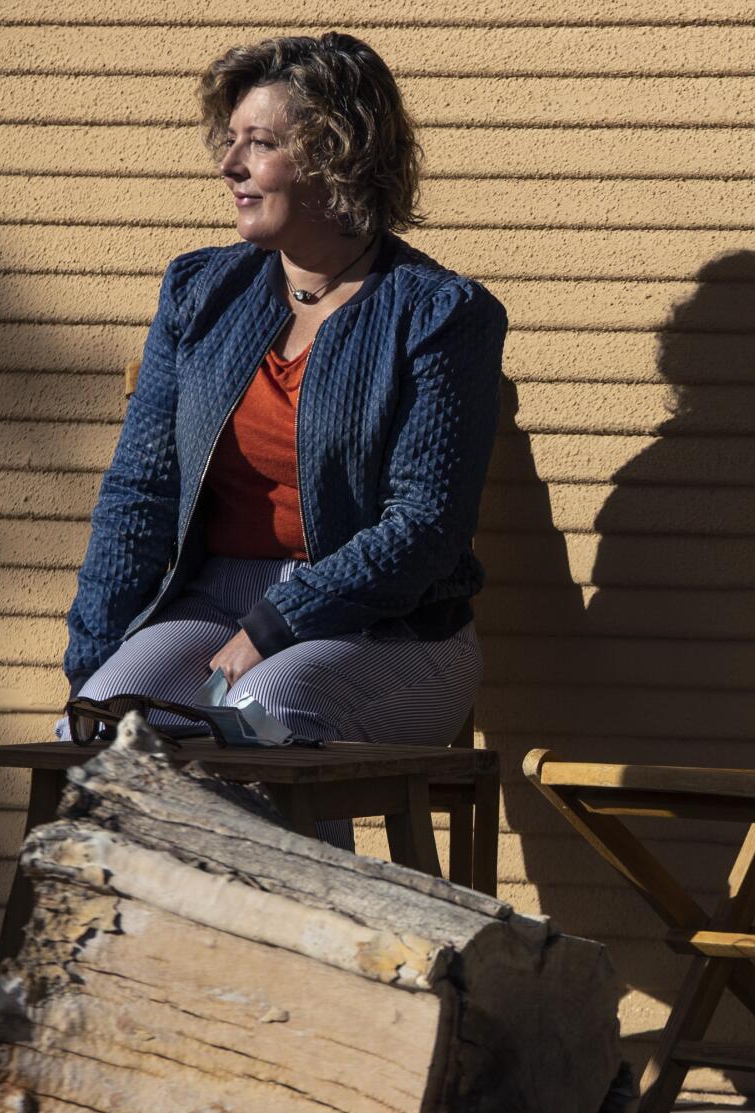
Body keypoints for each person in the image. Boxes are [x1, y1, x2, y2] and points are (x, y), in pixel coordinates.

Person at [61, 32, 505, 760]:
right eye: (230, 140)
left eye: (259, 143)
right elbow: (141, 491)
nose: (230, 165)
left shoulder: (440, 314)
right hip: (211, 606)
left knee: (262, 716)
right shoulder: (202, 293)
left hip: (390, 631)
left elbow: (426, 527)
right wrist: (96, 661)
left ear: (338, 158)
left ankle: (305, 880)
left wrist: (277, 623)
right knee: (102, 731)